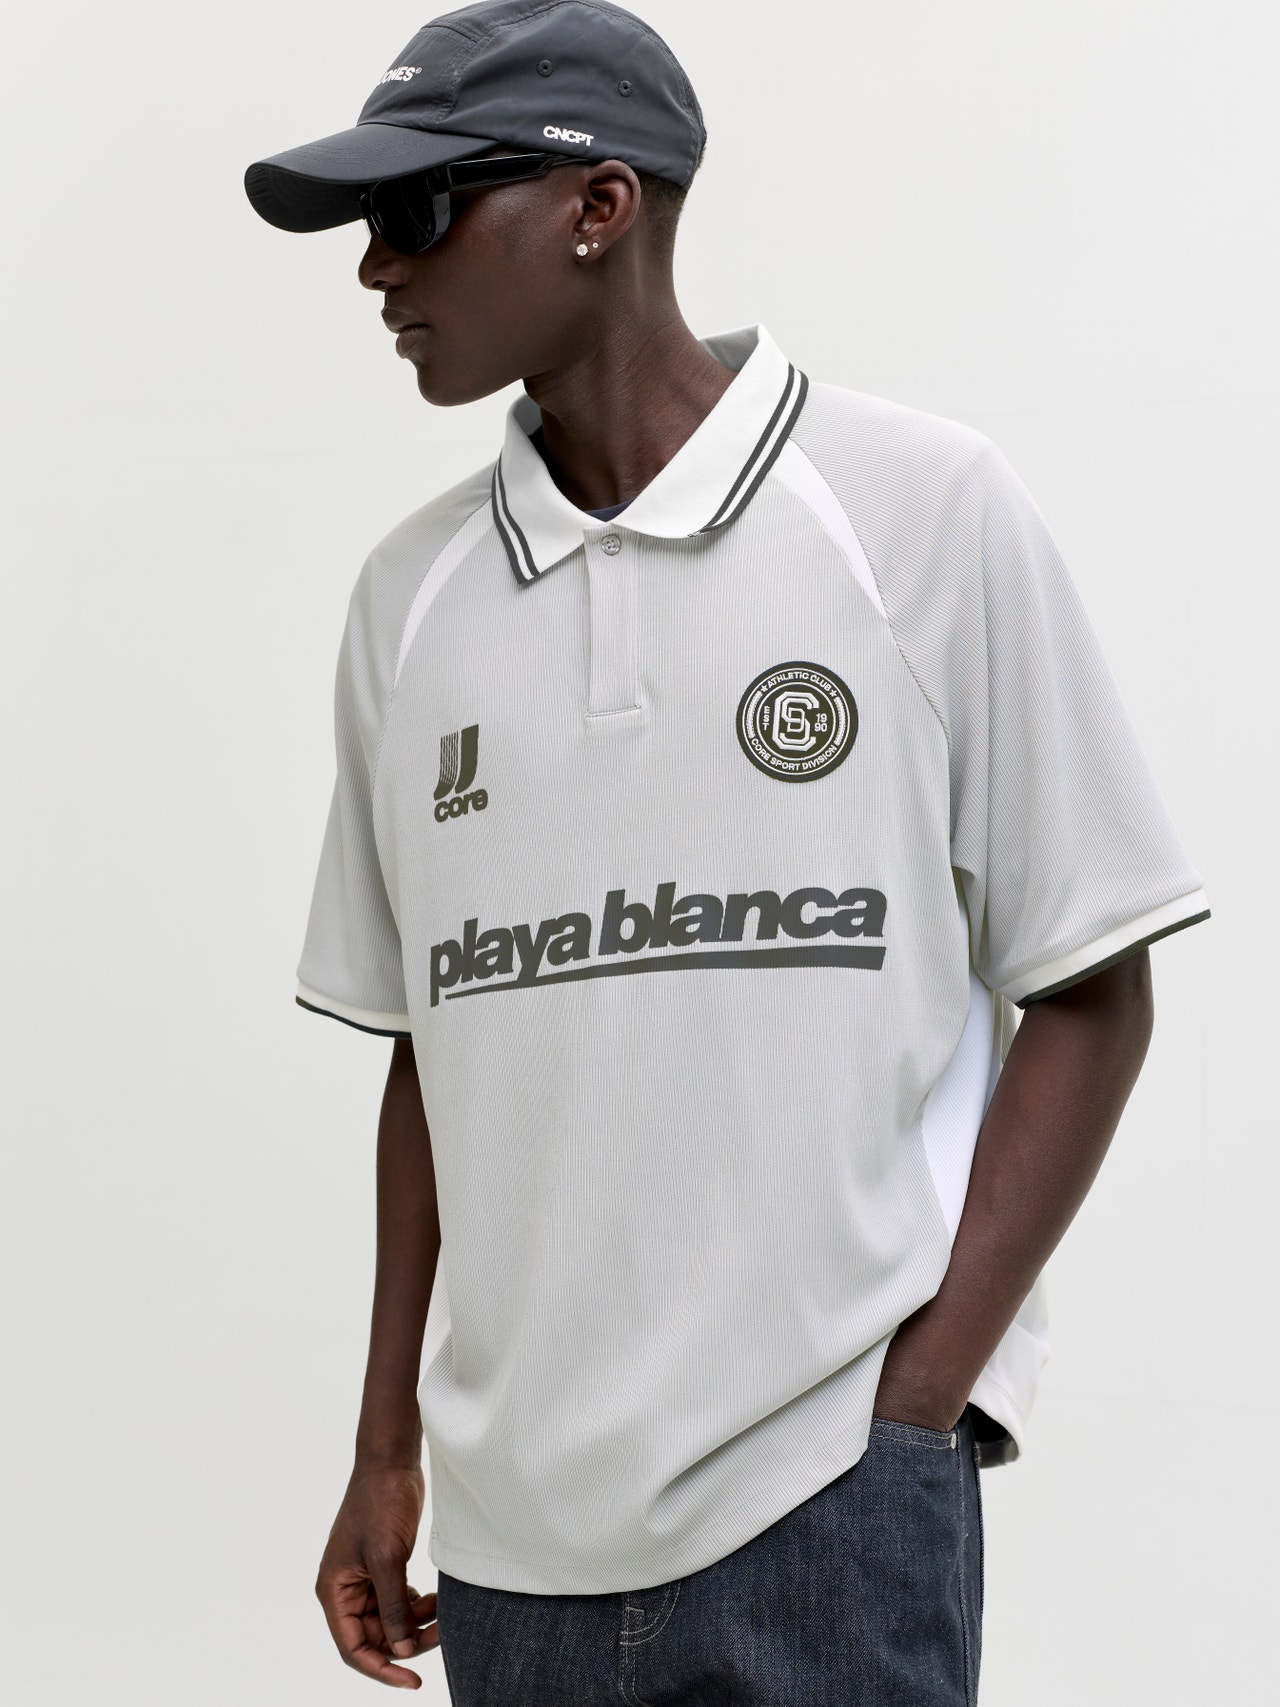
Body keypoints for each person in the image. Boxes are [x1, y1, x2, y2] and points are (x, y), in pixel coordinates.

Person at [243, 2, 1211, 1700]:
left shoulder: (920, 509)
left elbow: (1093, 983)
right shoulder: (409, 603)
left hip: (829, 1503)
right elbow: (428, 1053)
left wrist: (914, 1408)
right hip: (514, 1544)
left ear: (598, 205)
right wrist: (386, 1445)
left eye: (416, 211)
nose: (376, 268)